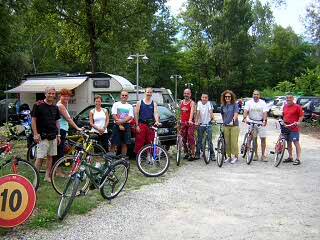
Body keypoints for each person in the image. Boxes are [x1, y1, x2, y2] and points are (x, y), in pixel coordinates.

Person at [31, 87, 60, 182]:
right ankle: (36, 178)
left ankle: (47, 176)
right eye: (49, 93)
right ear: (45, 94)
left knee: (50, 156)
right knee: (39, 158)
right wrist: (35, 134)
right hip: (42, 136)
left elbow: (57, 122)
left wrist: (58, 135)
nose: (51, 95)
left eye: (53, 93)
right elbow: (33, 120)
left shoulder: (55, 107)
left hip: (53, 135)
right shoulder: (38, 105)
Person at [56, 89, 83, 160]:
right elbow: (68, 119)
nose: (66, 98)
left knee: (62, 148)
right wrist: (77, 128)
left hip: (64, 129)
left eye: (68, 96)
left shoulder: (65, 103)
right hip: (61, 130)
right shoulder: (60, 105)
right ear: (60, 96)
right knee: (60, 150)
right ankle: (57, 167)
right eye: (64, 96)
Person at [243, 90, 268, 161]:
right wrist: (245, 118)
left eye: (257, 94)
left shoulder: (262, 102)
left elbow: (265, 112)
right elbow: (245, 111)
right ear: (252, 95)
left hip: (260, 122)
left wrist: (265, 120)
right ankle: (256, 154)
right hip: (252, 121)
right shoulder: (249, 102)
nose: (256, 96)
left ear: (259, 95)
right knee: (254, 139)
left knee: (263, 139)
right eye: (254, 94)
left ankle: (263, 155)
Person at [134, 87, 160, 154]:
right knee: (139, 142)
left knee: (151, 141)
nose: (149, 93)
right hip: (141, 124)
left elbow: (156, 112)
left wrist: (157, 121)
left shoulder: (154, 103)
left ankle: (150, 157)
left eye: (150, 92)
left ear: (152, 93)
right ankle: (138, 157)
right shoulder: (139, 102)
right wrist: (137, 125)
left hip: (150, 125)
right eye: (148, 92)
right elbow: (136, 114)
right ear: (145, 93)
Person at [282, 93, 304, 165]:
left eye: (290, 98)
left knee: (296, 142)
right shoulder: (285, 106)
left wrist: (298, 122)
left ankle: (298, 158)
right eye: (287, 98)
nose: (288, 99)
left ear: (293, 99)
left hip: (294, 127)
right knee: (288, 142)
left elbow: (301, 116)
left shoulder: (297, 107)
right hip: (286, 126)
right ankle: (290, 157)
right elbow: (284, 115)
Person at [110, 91, 134, 155]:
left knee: (124, 143)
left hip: (126, 125)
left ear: (127, 97)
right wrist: (120, 124)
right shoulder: (116, 104)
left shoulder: (130, 106)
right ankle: (110, 159)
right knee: (113, 143)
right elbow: (114, 114)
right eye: (123, 95)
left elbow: (130, 116)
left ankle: (123, 159)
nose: (124, 96)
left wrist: (122, 121)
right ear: (120, 96)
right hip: (117, 125)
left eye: (125, 95)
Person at [220, 90, 240, 164]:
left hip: (234, 126)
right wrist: (224, 121)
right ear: (224, 97)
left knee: (234, 142)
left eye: (229, 96)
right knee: (227, 142)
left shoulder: (235, 104)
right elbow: (222, 114)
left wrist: (233, 120)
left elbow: (236, 113)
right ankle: (229, 156)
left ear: (231, 97)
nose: (227, 98)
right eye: (226, 96)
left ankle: (235, 156)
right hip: (226, 126)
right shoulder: (223, 105)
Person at [195, 93, 215, 161]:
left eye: (206, 98)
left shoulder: (209, 103)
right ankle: (197, 153)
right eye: (203, 97)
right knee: (199, 140)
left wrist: (213, 119)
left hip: (208, 124)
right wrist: (196, 121)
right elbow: (198, 113)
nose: (204, 99)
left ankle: (212, 154)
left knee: (209, 140)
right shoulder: (199, 103)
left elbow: (210, 112)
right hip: (201, 124)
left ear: (207, 99)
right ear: (201, 98)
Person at [180, 88, 196, 161]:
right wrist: (179, 119)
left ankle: (193, 154)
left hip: (190, 123)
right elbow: (180, 112)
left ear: (190, 94)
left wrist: (190, 120)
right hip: (183, 123)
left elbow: (192, 112)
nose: (186, 95)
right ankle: (186, 152)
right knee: (183, 138)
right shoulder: (181, 102)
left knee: (190, 137)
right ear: (183, 94)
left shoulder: (192, 103)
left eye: (188, 93)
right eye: (185, 93)